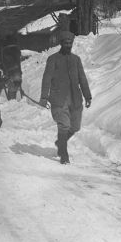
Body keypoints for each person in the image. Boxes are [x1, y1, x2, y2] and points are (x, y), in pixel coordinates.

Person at [39, 30, 92, 164]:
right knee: (64, 125)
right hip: (58, 98)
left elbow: (82, 78)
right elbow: (46, 79)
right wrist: (44, 97)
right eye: (66, 42)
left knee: (75, 127)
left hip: (75, 98)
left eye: (70, 42)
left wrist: (87, 96)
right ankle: (64, 154)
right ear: (61, 43)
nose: (68, 45)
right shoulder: (53, 59)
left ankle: (60, 142)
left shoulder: (76, 59)